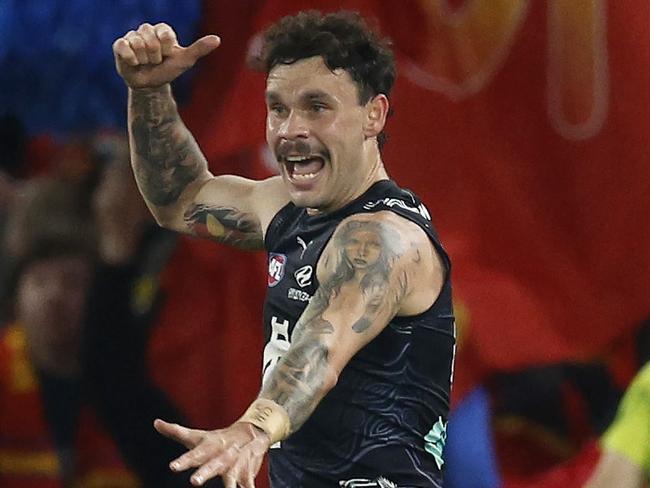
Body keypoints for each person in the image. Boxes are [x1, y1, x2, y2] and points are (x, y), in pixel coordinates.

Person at [112, 10, 455, 488]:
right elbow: (179, 199)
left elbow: (322, 346)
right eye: (278, 108)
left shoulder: (382, 240)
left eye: (317, 107)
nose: (290, 130)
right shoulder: (287, 209)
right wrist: (149, 92)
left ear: (373, 114)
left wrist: (253, 429)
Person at [0, 178, 138, 487]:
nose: (54, 296)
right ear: (15, 296)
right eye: (39, 281)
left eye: (72, 281)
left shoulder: (127, 388)